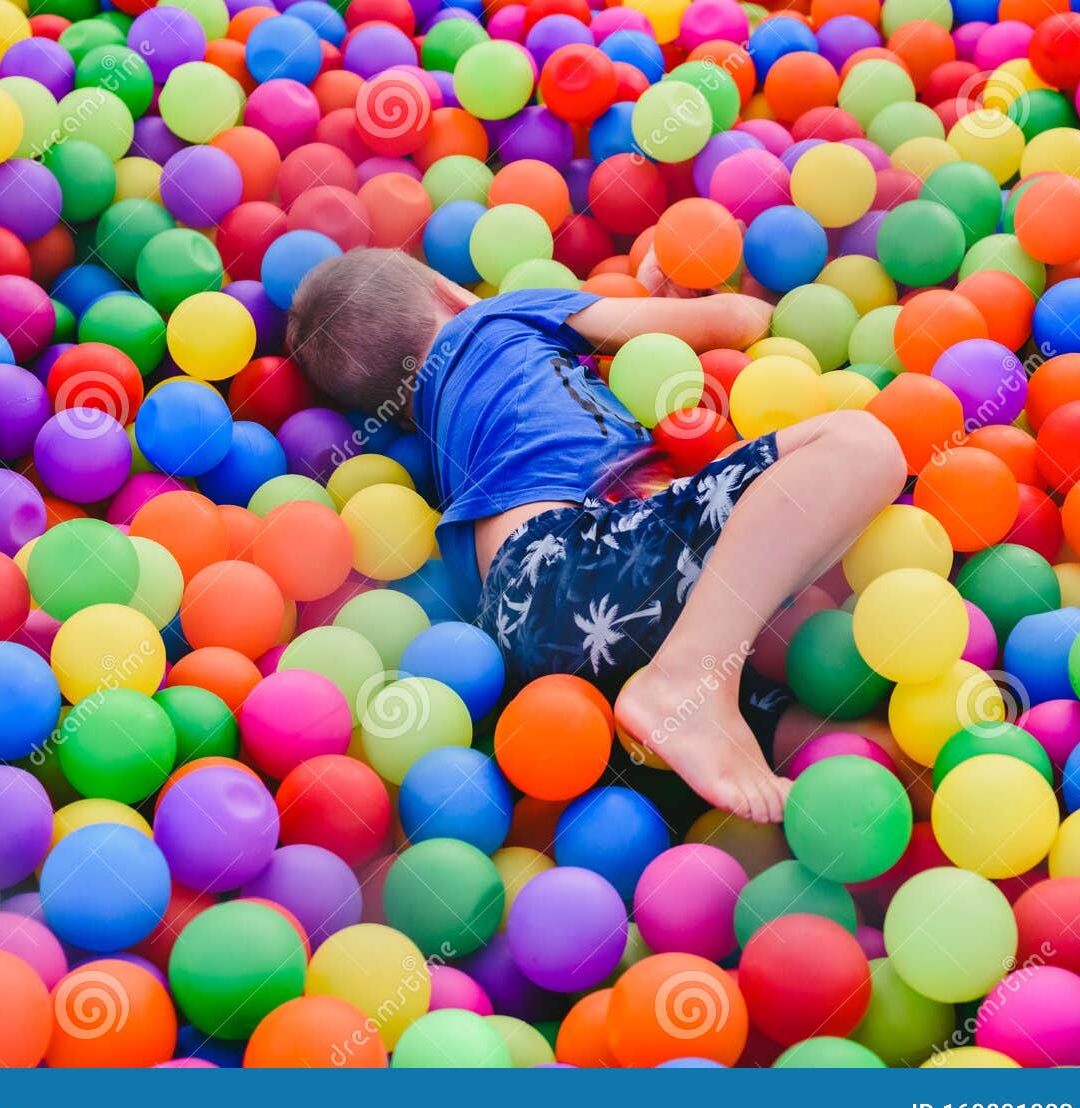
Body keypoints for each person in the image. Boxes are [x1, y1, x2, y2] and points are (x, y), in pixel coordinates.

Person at [286, 248, 906, 822]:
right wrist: (720, 296)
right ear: (452, 294)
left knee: (819, 718)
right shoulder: (501, 316)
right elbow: (734, 322)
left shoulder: (441, 430)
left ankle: (727, 719)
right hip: (570, 556)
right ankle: (687, 679)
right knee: (863, 444)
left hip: (531, 650)